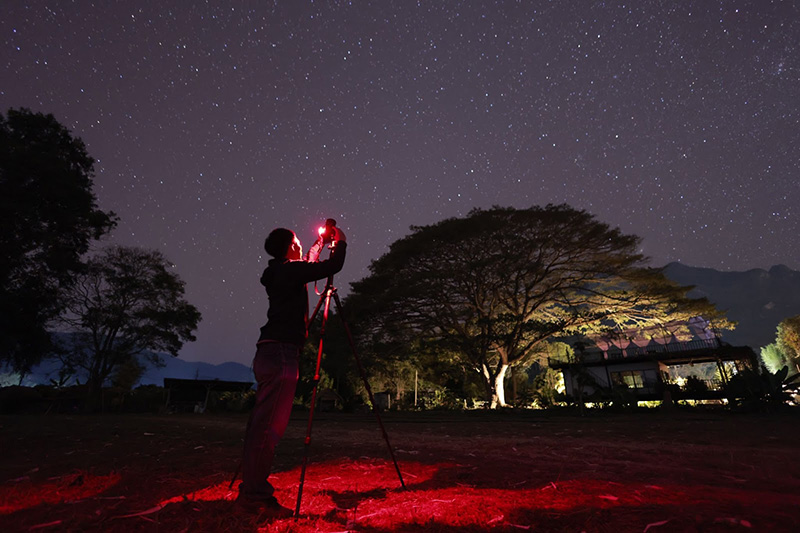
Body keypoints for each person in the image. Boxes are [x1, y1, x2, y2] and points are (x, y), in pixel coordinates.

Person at [237, 224, 347, 516]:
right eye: (296, 242)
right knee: (268, 430)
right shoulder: (289, 271)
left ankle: (250, 488)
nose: (300, 245)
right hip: (282, 354)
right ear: (288, 247)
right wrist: (342, 242)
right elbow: (331, 266)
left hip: (269, 352)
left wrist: (320, 242)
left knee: (260, 426)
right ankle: (255, 497)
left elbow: (307, 262)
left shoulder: (281, 271)